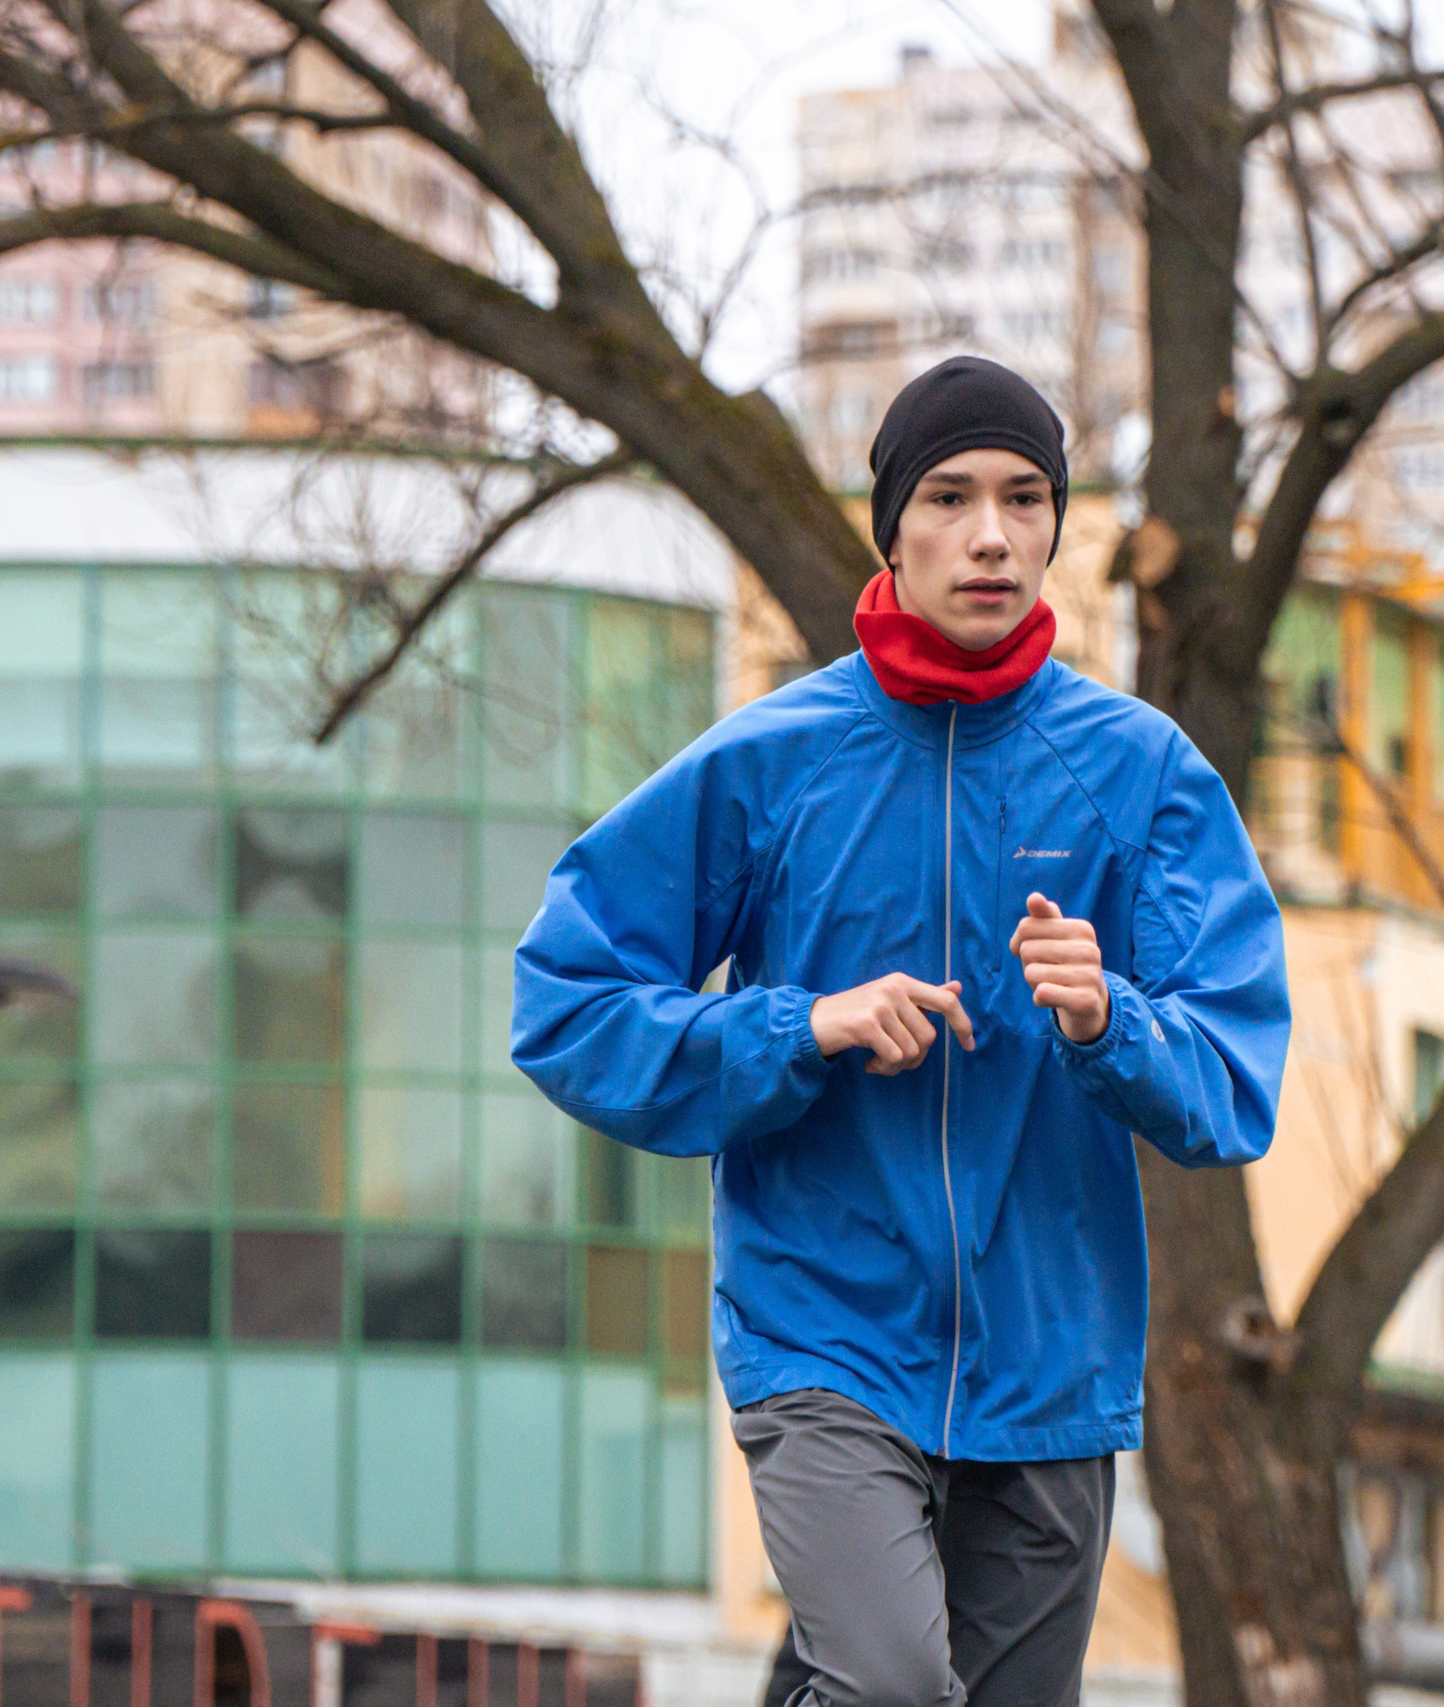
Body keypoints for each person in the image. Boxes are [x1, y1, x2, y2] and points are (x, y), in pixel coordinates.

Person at [514, 355, 1290, 1707]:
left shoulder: (1143, 771)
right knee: (885, 1687)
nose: (991, 534)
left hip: (1050, 1357)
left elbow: (1235, 1074)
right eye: (949, 495)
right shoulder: (773, 759)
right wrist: (796, 1026)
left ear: (1056, 524)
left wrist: (1112, 1020)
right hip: (825, 1331)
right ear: (893, 524)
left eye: (1025, 497)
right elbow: (566, 1000)